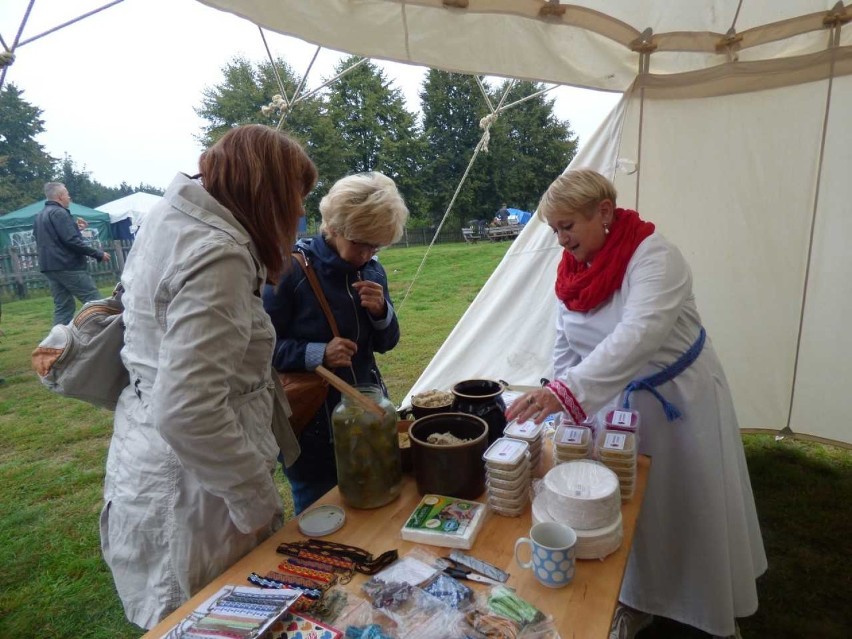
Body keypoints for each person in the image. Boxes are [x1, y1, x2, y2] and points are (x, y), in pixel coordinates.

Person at [506, 169, 767, 639]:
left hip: (678, 403)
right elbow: (568, 344)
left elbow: (638, 336)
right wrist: (554, 396)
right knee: (626, 507)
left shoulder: (655, 257)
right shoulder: (573, 273)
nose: (561, 239)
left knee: (688, 503)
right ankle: (637, 597)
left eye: (568, 226)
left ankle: (708, 607)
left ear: (603, 212)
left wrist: (568, 392)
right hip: (614, 404)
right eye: (554, 230)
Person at [99, 125, 317, 629]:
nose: (300, 213)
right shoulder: (218, 252)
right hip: (195, 489)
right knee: (207, 616)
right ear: (271, 194)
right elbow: (188, 408)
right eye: (297, 198)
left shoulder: (171, 220)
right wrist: (255, 500)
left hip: (155, 459)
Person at [263, 172, 408, 514]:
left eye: (377, 245)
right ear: (334, 226)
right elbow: (259, 347)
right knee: (319, 512)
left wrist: (381, 312)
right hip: (310, 423)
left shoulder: (372, 270)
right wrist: (318, 353)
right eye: (362, 243)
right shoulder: (289, 270)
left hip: (368, 412)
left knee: (377, 496)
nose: (368, 253)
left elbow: (388, 342)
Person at [32, 182, 111, 325]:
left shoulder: (39, 216)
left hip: (49, 267)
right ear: (60, 196)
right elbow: (72, 241)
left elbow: (52, 238)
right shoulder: (60, 213)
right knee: (96, 302)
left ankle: (57, 343)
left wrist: (75, 228)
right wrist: (98, 254)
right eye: (67, 194)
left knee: (63, 308)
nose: (69, 197)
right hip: (67, 265)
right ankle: (110, 335)